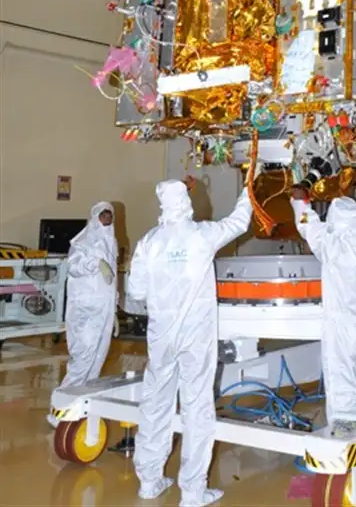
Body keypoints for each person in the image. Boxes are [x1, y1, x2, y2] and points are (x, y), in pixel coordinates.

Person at [129, 179, 252, 507]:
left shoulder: (149, 242)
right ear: (187, 202)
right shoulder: (202, 235)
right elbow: (240, 222)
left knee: (156, 404)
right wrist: (248, 188)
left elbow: (136, 293)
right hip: (195, 337)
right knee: (197, 407)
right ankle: (193, 493)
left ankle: (149, 480)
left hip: (161, 338)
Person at [291, 164, 356, 426]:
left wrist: (305, 184)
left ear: (333, 222)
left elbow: (305, 220)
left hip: (345, 331)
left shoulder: (331, 245)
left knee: (345, 391)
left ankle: (348, 450)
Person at [48, 201, 118, 425]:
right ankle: (58, 409)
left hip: (103, 310)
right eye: (103, 215)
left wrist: (113, 308)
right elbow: (74, 266)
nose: (107, 219)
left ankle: (80, 406)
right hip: (86, 310)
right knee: (82, 359)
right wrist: (95, 263)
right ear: (95, 217)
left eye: (110, 215)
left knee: (97, 359)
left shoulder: (111, 241)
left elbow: (111, 279)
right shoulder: (83, 241)